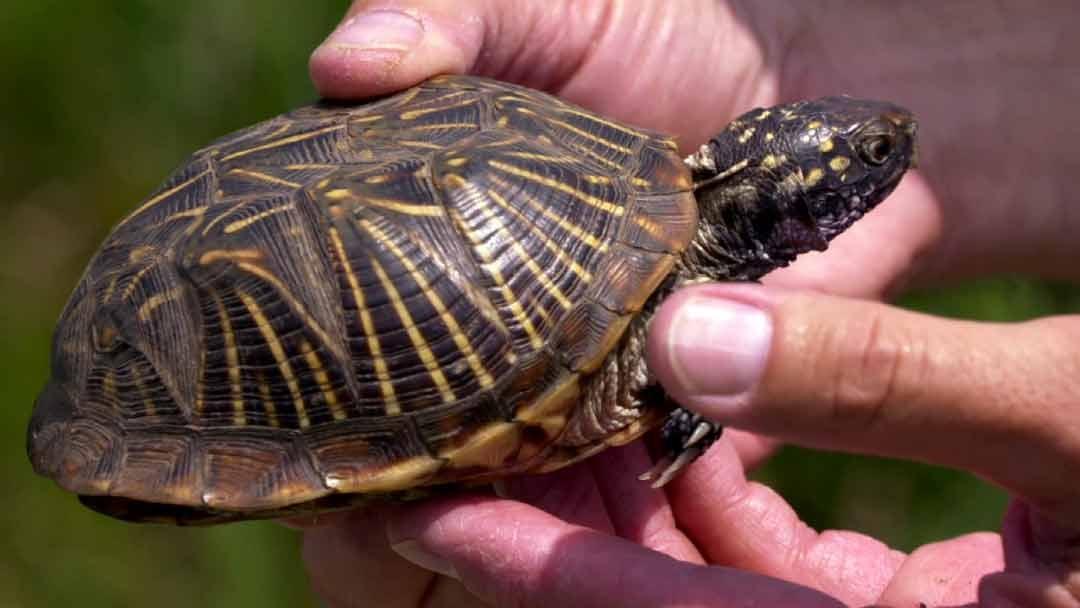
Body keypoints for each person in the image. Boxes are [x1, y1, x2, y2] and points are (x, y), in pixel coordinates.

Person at [295, 2, 1080, 606]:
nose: (897, 144)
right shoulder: (667, 278)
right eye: (872, 156)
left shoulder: (633, 175)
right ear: (786, 206)